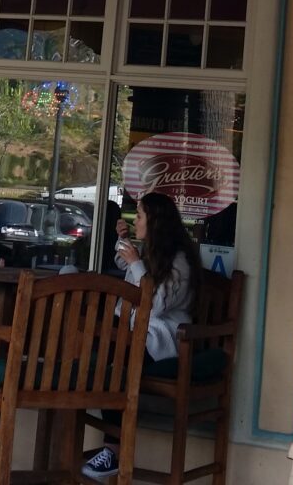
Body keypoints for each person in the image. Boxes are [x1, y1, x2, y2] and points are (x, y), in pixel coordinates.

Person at [82, 192, 200, 481]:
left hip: (162, 340)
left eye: (140, 216)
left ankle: (113, 449)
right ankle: (95, 430)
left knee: (114, 363)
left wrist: (136, 263)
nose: (136, 221)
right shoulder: (153, 253)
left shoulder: (180, 262)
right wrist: (124, 242)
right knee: (91, 345)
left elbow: (155, 306)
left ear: (155, 222)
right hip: (135, 332)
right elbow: (126, 265)